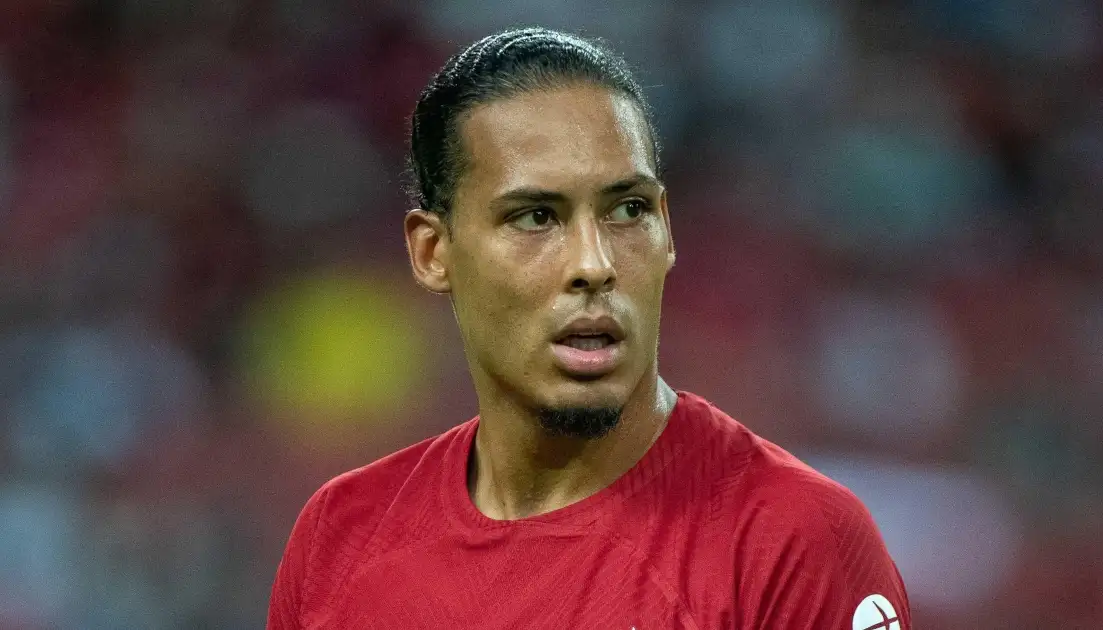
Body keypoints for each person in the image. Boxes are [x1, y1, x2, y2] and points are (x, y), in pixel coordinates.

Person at [267, 27, 910, 629]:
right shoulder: (341, 536)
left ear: (666, 228)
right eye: (535, 217)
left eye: (627, 210)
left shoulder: (793, 540)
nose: (594, 264)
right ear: (434, 252)